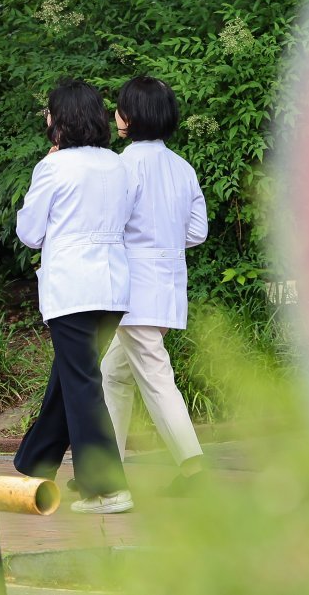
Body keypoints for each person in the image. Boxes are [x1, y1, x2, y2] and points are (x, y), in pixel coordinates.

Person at [13, 79, 135, 514]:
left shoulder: (54, 167)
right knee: (72, 378)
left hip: (71, 288)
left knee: (81, 381)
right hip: (114, 288)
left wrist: (42, 171)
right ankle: (34, 466)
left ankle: (106, 488)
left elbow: (29, 234)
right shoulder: (119, 165)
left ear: (60, 120)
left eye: (49, 113)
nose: (46, 120)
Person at [101, 75, 209, 496]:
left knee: (154, 374)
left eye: (120, 107)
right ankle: (106, 468)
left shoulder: (123, 165)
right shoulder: (182, 167)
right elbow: (196, 231)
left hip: (132, 287)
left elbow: (109, 223)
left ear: (130, 117)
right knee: (114, 374)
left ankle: (194, 469)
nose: (115, 114)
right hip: (166, 285)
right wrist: (162, 241)